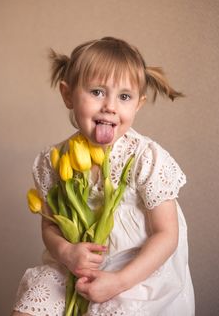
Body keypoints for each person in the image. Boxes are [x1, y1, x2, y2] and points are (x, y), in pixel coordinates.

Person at [12, 37, 195, 316]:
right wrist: (65, 253)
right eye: (97, 92)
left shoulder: (145, 158)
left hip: (135, 271)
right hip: (75, 265)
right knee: (38, 298)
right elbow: (50, 227)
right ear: (68, 95)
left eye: (124, 96)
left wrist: (120, 281)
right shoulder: (56, 160)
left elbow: (167, 234)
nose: (110, 106)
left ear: (138, 104)